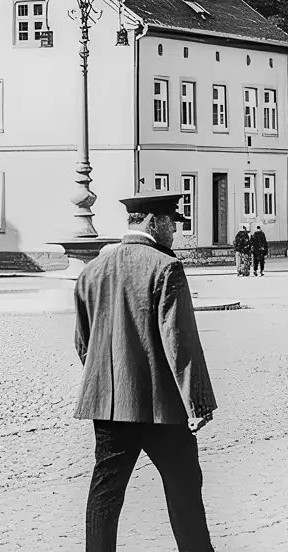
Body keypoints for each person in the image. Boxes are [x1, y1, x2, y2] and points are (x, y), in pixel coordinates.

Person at [74, 192, 217, 552]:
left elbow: (83, 344)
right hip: (160, 407)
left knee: (105, 494)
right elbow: (180, 341)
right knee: (184, 489)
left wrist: (106, 384)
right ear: (155, 222)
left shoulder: (92, 270)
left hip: (109, 407)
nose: (175, 232)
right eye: (173, 223)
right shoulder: (165, 267)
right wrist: (197, 402)